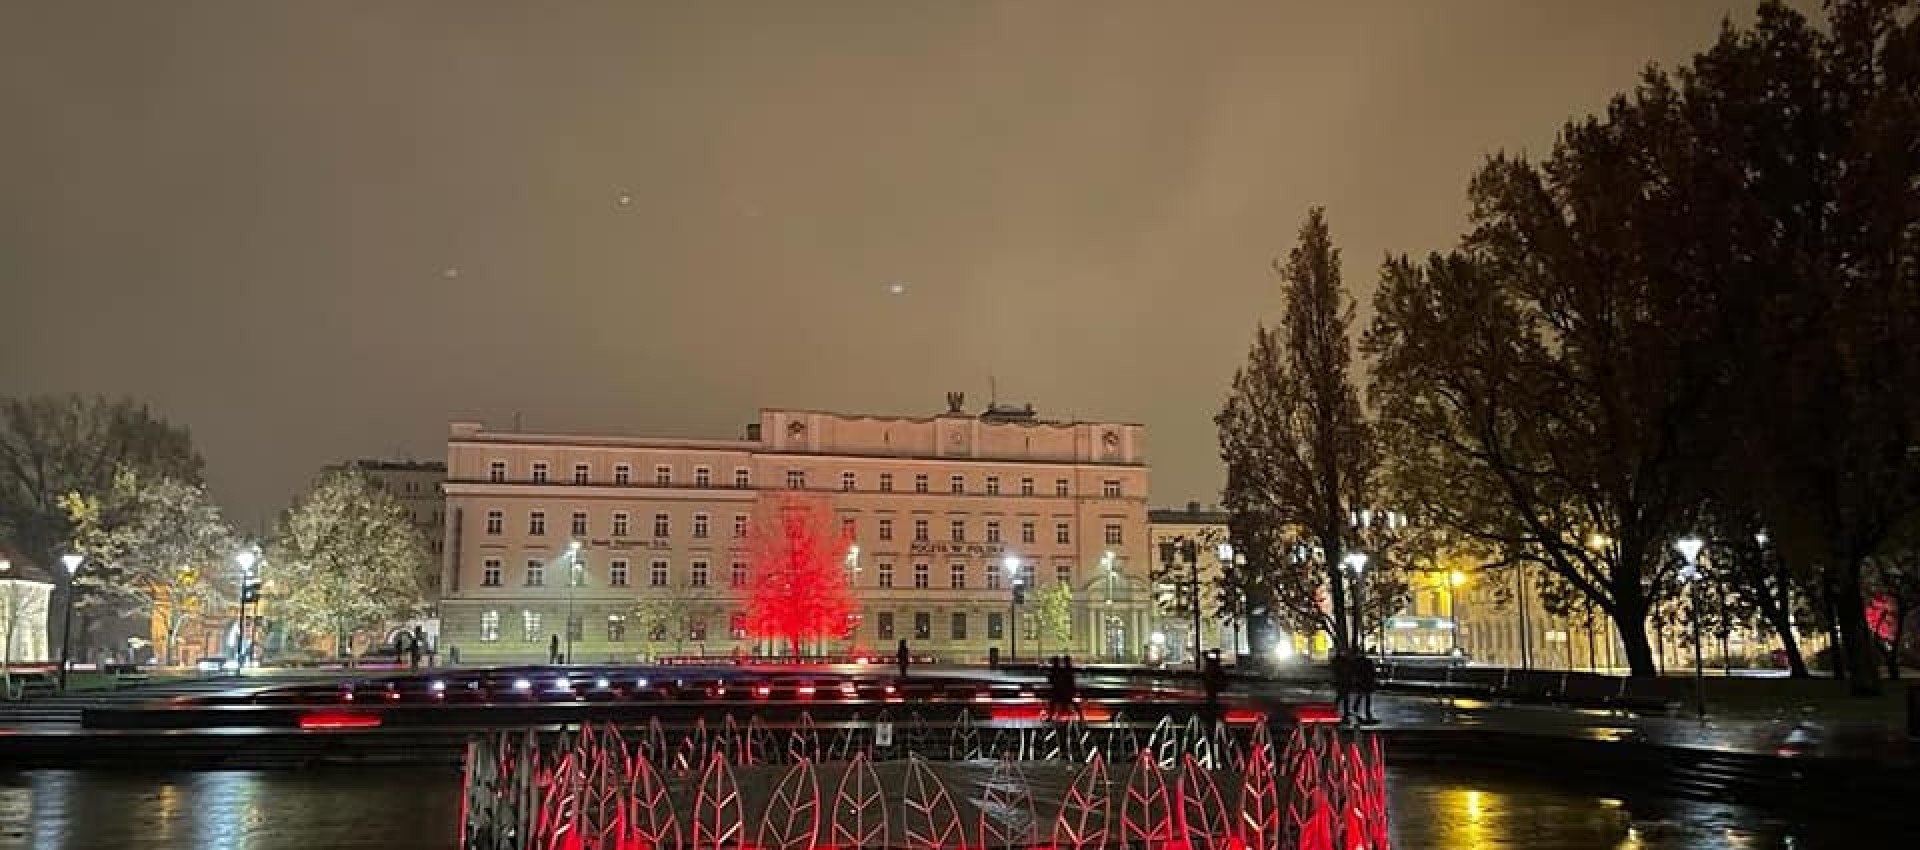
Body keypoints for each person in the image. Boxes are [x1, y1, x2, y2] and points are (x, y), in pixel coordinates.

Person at [1201, 649, 1227, 718]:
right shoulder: (1214, 665)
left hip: (1211, 687)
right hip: (1213, 686)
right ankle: (1212, 713)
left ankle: (1211, 713)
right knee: (1212, 700)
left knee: (1211, 700)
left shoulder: (1209, 665)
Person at [1356, 649, 1379, 724]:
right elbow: (1372, 671)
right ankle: (1365, 709)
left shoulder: (1359, 662)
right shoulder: (1367, 661)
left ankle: (1357, 707)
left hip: (1364, 680)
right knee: (1366, 696)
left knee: (1362, 695)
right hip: (1367, 681)